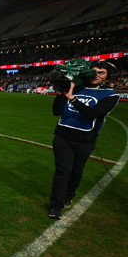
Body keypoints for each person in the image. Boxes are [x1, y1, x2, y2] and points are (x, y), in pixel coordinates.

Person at [47, 61, 119, 219]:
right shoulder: (76, 87)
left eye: (101, 73)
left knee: (76, 172)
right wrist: (61, 93)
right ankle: (55, 205)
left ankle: (68, 195)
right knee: (62, 171)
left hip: (85, 140)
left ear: (108, 77)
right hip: (63, 136)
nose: (97, 75)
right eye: (94, 71)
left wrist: (72, 98)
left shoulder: (110, 95)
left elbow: (92, 113)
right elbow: (56, 111)